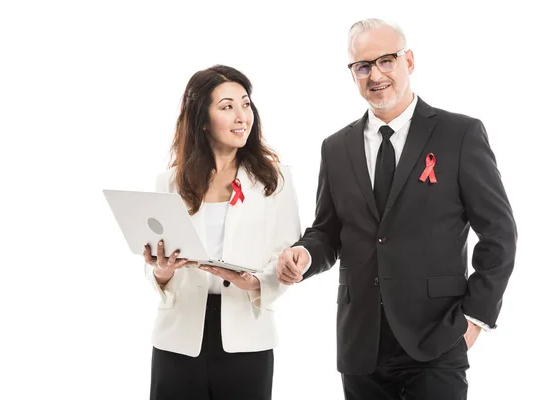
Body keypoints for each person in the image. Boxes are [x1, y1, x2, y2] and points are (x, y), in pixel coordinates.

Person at [277, 19, 517, 400]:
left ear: (409, 60)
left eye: (386, 60)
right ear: (353, 74)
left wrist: (475, 318)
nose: (375, 75)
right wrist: (305, 255)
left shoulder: (460, 135)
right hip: (361, 343)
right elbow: (327, 231)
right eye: (363, 66)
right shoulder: (335, 147)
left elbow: (499, 234)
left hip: (437, 336)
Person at [142, 64, 301, 400]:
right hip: (179, 339)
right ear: (202, 119)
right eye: (227, 107)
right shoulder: (170, 182)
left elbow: (287, 259)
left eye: (245, 104)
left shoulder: (275, 181)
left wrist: (256, 282)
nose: (242, 116)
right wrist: (161, 271)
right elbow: (156, 258)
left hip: (247, 336)